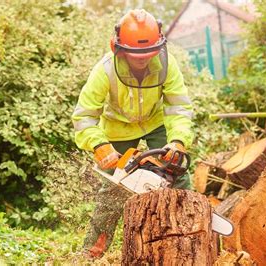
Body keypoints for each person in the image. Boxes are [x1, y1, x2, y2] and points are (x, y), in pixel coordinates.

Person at [71, 9, 194, 258]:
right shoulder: (105, 70)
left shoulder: (167, 66)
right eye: (137, 54)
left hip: (156, 123)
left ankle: (191, 237)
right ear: (119, 48)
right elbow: (84, 116)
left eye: (148, 53)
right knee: (112, 189)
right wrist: (99, 145)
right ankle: (93, 250)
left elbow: (178, 107)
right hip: (117, 127)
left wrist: (178, 141)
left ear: (159, 47)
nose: (142, 59)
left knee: (178, 174)